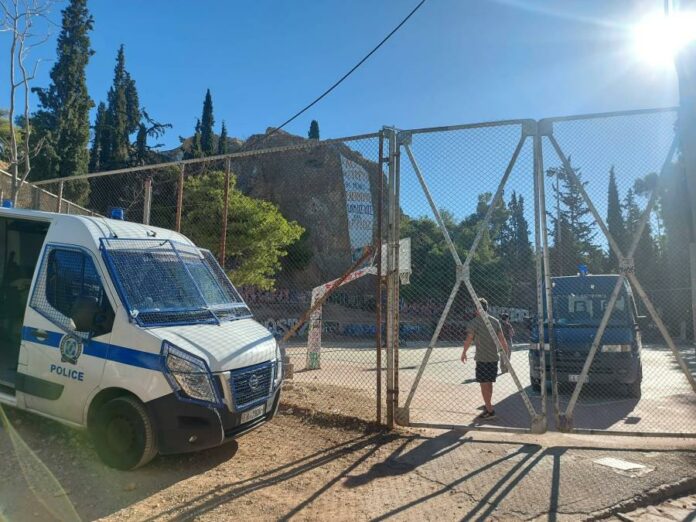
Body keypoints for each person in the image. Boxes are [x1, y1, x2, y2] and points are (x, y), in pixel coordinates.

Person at [461, 298, 510, 419]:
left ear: (477, 309)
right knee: (489, 382)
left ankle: (490, 410)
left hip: (482, 358)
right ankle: (488, 406)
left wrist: (464, 352)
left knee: (483, 384)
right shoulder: (495, 321)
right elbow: (502, 339)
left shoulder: (474, 322)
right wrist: (506, 355)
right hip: (493, 357)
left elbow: (469, 339)